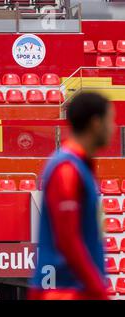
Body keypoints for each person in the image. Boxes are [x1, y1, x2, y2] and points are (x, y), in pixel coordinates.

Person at [29, 92, 115, 300]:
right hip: (63, 292)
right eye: (110, 120)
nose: (113, 128)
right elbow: (67, 240)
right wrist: (98, 290)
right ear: (96, 123)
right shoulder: (66, 169)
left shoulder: (78, 166)